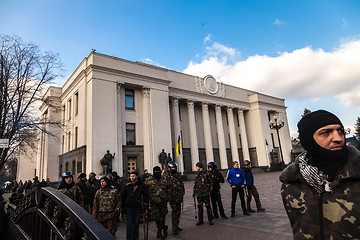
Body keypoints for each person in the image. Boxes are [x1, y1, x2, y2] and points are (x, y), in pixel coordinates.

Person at [280, 110, 360, 239]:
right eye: (325, 133)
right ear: (308, 139)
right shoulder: (290, 185)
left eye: (340, 131)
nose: (338, 138)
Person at [121, 171, 149, 240]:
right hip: (129, 207)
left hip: (137, 207)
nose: (132, 178)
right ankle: (129, 238)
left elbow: (146, 196)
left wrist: (145, 204)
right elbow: (123, 196)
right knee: (129, 224)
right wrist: (122, 207)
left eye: (133, 176)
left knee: (136, 224)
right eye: (131, 176)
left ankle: (135, 237)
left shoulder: (141, 185)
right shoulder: (126, 185)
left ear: (136, 177)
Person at [145, 166, 169, 239]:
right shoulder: (148, 180)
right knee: (156, 217)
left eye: (158, 171)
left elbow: (168, 189)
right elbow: (145, 191)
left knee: (163, 216)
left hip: (163, 201)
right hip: (154, 202)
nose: (156, 172)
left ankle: (159, 232)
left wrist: (167, 197)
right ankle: (164, 227)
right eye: (155, 171)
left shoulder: (164, 179)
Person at [163, 161, 185, 235]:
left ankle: (177, 225)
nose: (174, 168)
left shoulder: (177, 175)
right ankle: (174, 228)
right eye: (172, 167)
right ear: (169, 168)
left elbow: (181, 184)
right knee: (174, 212)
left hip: (178, 196)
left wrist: (182, 192)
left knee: (178, 212)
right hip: (172, 197)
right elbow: (164, 186)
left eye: (175, 167)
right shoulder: (166, 176)